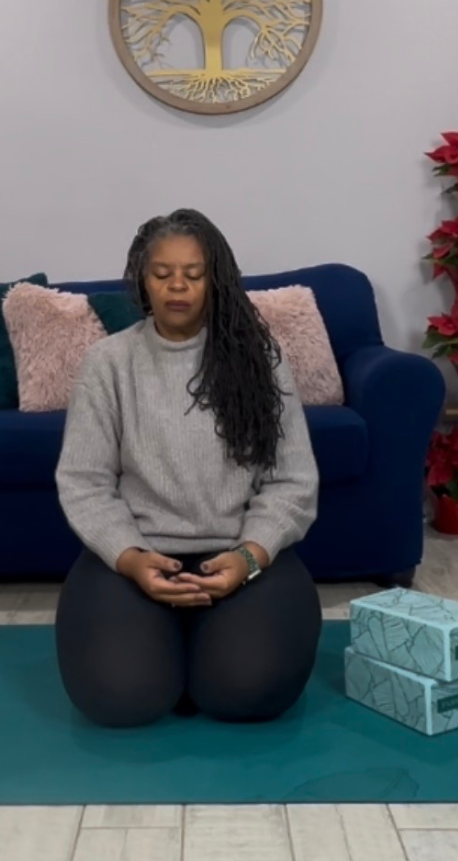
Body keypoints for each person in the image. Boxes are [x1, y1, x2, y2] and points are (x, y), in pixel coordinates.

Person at [54, 209, 322, 727]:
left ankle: (203, 649)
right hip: (137, 558)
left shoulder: (262, 361)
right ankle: (168, 643)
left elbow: (293, 479)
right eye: (162, 273)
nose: (178, 286)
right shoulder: (107, 363)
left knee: (247, 692)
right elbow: (84, 483)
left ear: (215, 280)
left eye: (194, 274)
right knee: (120, 698)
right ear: (142, 279)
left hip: (240, 554)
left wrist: (249, 556)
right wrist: (131, 559)